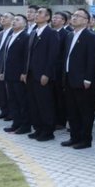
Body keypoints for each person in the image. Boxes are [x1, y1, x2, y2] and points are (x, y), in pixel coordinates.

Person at [61, 8, 95, 149]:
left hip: (83, 81)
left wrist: (88, 78)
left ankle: (85, 140)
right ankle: (74, 137)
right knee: (72, 111)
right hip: (69, 78)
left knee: (85, 112)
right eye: (74, 15)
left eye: (78, 16)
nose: (74, 17)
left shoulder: (91, 36)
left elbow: (93, 59)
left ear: (86, 21)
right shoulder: (70, 35)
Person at [22, 7, 60, 141]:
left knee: (45, 104)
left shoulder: (51, 33)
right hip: (31, 74)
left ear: (47, 17)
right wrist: (25, 72)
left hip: (43, 75)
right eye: (36, 13)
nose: (36, 15)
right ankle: (38, 128)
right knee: (34, 104)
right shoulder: (33, 32)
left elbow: (53, 55)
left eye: (40, 13)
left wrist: (46, 74)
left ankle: (48, 131)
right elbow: (28, 54)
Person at [0, 15, 31, 134]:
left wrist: (24, 72)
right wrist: (3, 71)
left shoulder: (26, 37)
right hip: (9, 74)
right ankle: (16, 123)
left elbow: (26, 56)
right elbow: (6, 56)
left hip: (19, 75)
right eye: (13, 20)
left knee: (22, 101)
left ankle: (25, 125)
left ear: (24, 24)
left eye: (17, 20)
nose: (14, 22)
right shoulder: (10, 36)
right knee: (12, 101)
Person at [0, 12, 14, 120]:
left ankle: (11, 113)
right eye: (2, 17)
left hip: (8, 67)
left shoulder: (13, 32)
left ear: (12, 20)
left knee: (9, 91)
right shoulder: (0, 33)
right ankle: (4, 110)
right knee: (1, 90)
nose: (3, 19)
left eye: (6, 17)